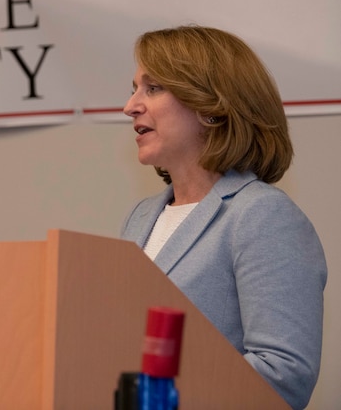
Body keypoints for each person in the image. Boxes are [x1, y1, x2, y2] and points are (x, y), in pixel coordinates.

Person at [120, 26, 327, 409]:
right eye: (133, 89)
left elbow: (284, 375)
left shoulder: (262, 216)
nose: (130, 106)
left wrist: (161, 395)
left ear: (212, 107)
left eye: (152, 88)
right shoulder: (141, 217)